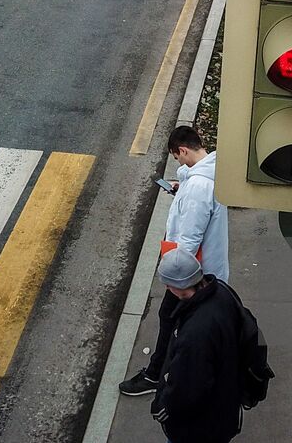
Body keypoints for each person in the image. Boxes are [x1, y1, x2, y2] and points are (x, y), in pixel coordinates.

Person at [120, 125, 229, 397]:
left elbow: (190, 239)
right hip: (204, 270)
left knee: (171, 318)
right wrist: (182, 188)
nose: (178, 162)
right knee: (185, 321)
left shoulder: (199, 187)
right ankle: (172, 371)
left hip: (193, 272)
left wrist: (174, 276)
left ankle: (158, 375)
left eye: (177, 157)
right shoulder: (210, 176)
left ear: (182, 150)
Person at [149, 248, 243, 443]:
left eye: (168, 284)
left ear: (179, 286)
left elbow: (187, 389)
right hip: (226, 403)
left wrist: (163, 406)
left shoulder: (195, 332)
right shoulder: (224, 294)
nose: (166, 288)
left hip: (199, 427)